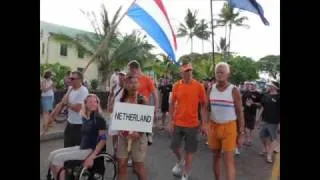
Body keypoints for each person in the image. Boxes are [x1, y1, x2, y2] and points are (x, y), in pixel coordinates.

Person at [47, 94, 107, 180]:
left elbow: (103, 140)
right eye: (90, 102)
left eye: (95, 102)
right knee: (52, 155)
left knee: (57, 159)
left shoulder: (99, 119)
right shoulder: (86, 117)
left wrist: (92, 157)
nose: (93, 103)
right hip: (82, 147)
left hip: (89, 150)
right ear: (85, 104)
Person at [168, 63, 207, 180]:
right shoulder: (176, 86)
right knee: (174, 146)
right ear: (181, 73)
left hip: (193, 124)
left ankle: (185, 173)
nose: (188, 73)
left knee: (189, 150)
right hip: (178, 122)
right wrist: (170, 121)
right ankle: (181, 161)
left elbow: (203, 105)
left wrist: (204, 123)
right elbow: (171, 104)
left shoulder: (199, 86)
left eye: (190, 71)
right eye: (186, 71)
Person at [206, 62, 245, 180]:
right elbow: (207, 108)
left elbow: (239, 112)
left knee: (228, 161)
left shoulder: (234, 90)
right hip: (214, 126)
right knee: (216, 156)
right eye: (217, 72)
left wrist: (241, 133)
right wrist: (206, 124)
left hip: (229, 127)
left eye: (222, 72)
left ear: (228, 74)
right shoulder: (210, 89)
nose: (219, 74)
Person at [117, 73, 148, 180]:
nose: (133, 85)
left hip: (138, 137)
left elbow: (146, 121)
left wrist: (138, 134)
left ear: (138, 85)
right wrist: (125, 133)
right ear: (126, 85)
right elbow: (118, 120)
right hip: (123, 137)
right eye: (131, 82)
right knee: (121, 165)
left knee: (138, 167)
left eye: (135, 82)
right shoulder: (121, 100)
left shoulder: (142, 100)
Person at [127, 60, 159, 145]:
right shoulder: (129, 79)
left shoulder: (146, 79)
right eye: (129, 70)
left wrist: (156, 107)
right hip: (131, 107)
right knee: (131, 131)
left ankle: (148, 134)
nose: (130, 72)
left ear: (136, 69)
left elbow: (155, 94)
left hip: (143, 107)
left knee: (140, 134)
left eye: (131, 70)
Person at [61, 71, 89, 147]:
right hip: (70, 123)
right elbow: (63, 102)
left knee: (77, 151)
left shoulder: (83, 91)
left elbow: (78, 108)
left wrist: (67, 103)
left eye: (72, 78)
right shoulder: (70, 88)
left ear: (79, 80)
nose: (70, 80)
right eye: (70, 78)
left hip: (79, 125)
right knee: (67, 147)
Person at [259, 81, 280, 163]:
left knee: (273, 139)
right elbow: (262, 107)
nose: (268, 86)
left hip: (274, 122)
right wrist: (258, 118)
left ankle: (269, 155)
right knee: (262, 136)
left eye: (270, 85)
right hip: (264, 120)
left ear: (274, 87)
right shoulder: (265, 95)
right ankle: (266, 148)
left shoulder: (278, 97)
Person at [107, 71, 126, 159]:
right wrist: (109, 105)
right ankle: (115, 152)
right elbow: (110, 95)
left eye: (123, 76)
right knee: (113, 134)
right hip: (114, 113)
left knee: (122, 135)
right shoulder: (115, 86)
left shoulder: (127, 88)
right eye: (120, 76)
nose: (121, 78)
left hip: (122, 114)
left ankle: (123, 154)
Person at [242, 81, 262, 146]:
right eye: (250, 85)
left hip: (252, 112)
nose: (251, 86)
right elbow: (242, 101)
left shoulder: (258, 94)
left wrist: (253, 103)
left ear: (255, 86)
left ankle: (250, 139)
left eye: (253, 85)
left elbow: (260, 104)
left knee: (251, 127)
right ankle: (246, 139)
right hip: (245, 111)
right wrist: (242, 106)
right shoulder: (246, 92)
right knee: (244, 126)